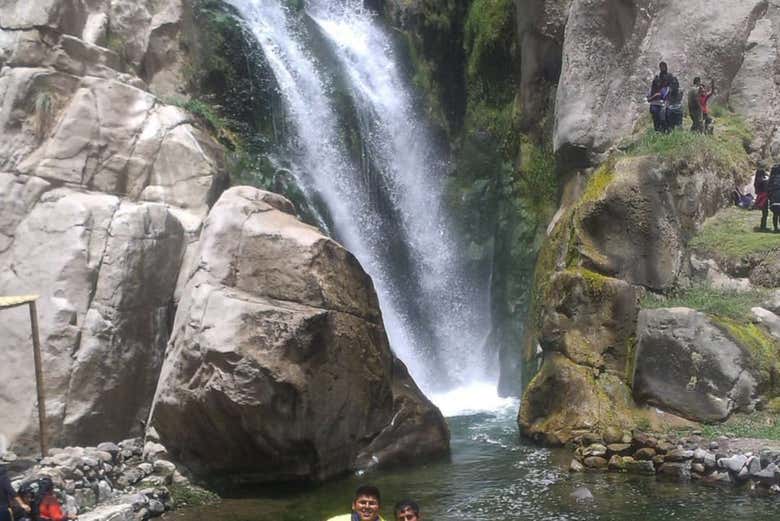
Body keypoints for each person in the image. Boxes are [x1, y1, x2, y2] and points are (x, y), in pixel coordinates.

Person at [647, 62, 670, 132]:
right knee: (657, 123)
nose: (658, 84)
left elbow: (667, 98)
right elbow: (648, 99)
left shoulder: (665, 89)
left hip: (663, 108)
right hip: (655, 108)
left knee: (664, 122)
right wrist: (655, 95)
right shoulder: (653, 90)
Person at [768, 165, 780, 232]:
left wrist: (770, 197)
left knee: (775, 213)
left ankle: (775, 228)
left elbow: (768, 189)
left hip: (774, 197)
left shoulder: (772, 178)